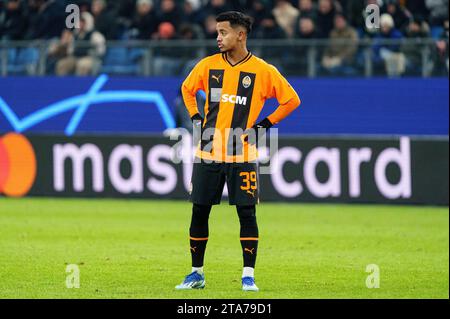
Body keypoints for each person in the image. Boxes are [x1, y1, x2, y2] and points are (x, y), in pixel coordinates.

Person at [175, 11, 301, 291]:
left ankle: (248, 276)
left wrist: (264, 124)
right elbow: (187, 89)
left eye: (223, 32)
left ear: (240, 35)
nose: (218, 37)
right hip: (208, 152)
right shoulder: (207, 66)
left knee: (246, 213)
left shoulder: (262, 71)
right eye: (217, 32)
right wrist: (195, 117)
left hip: (242, 154)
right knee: (200, 211)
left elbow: (291, 100)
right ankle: (196, 274)